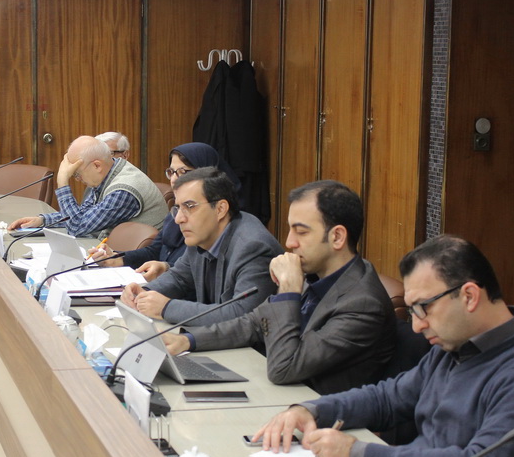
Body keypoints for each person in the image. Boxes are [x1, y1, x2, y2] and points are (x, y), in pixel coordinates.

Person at [254, 235, 514, 457]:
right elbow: (386, 399)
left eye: (423, 308)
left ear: (469, 296)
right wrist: (311, 410)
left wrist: (357, 455)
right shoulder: (454, 346)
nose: (416, 326)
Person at [162, 180, 396, 393]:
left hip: (314, 411)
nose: (289, 242)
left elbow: (284, 368)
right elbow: (253, 323)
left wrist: (288, 292)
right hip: (279, 393)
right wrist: (189, 340)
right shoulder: (316, 273)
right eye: (291, 229)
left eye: (301, 232)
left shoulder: (362, 304)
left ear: (337, 237)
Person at [121, 167, 282, 326]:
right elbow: (179, 277)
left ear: (220, 209)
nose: (178, 219)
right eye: (178, 208)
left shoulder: (253, 247)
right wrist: (145, 293)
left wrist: (166, 308)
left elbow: (241, 315)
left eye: (189, 206)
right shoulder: (202, 234)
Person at [89, 142, 242, 281]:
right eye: (171, 172)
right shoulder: (178, 211)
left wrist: (165, 270)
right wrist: (118, 258)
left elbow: (198, 274)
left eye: (183, 172)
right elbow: (155, 251)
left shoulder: (217, 220)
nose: (174, 179)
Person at [8, 136, 167, 239]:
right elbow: (84, 216)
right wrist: (42, 220)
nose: (78, 180)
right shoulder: (109, 171)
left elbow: (77, 228)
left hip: (135, 266)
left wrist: (62, 183)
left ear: (97, 165)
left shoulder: (123, 190)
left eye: (77, 174)